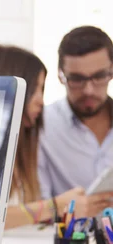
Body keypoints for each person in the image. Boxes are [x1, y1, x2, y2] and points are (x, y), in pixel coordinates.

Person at [0, 45, 113, 229]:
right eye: (35, 90)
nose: (41, 101)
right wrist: (56, 206)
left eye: (42, 90)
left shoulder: (24, 146)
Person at [39, 26, 113, 213]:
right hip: (68, 237)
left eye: (99, 76)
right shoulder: (41, 125)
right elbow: (38, 208)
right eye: (77, 79)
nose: (88, 90)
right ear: (60, 75)